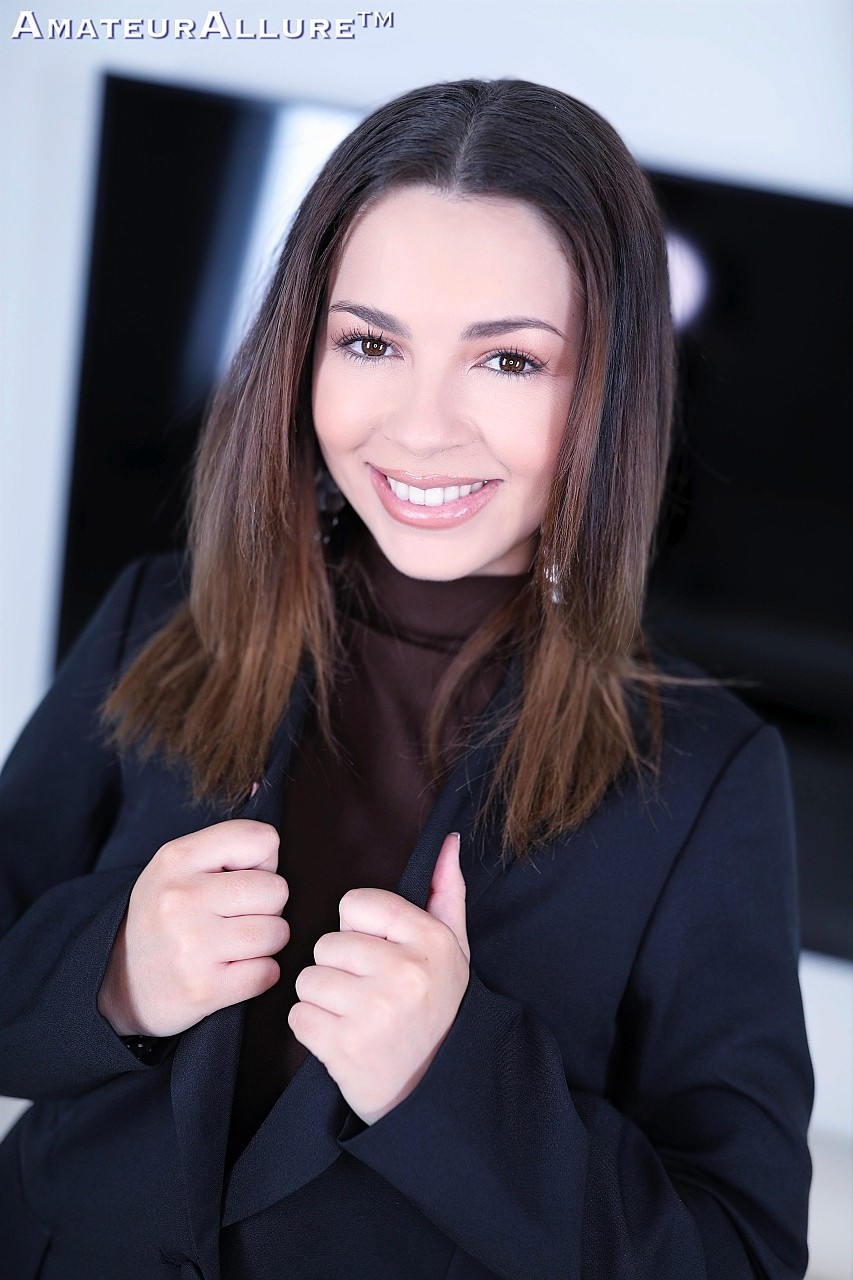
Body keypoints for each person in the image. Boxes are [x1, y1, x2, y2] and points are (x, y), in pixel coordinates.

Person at [0, 78, 812, 1280]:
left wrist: (450, 1076)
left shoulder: (709, 777)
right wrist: (112, 974)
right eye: (370, 342)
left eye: (509, 360)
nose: (422, 427)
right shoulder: (156, 619)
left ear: (609, 388)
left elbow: (737, 1255)